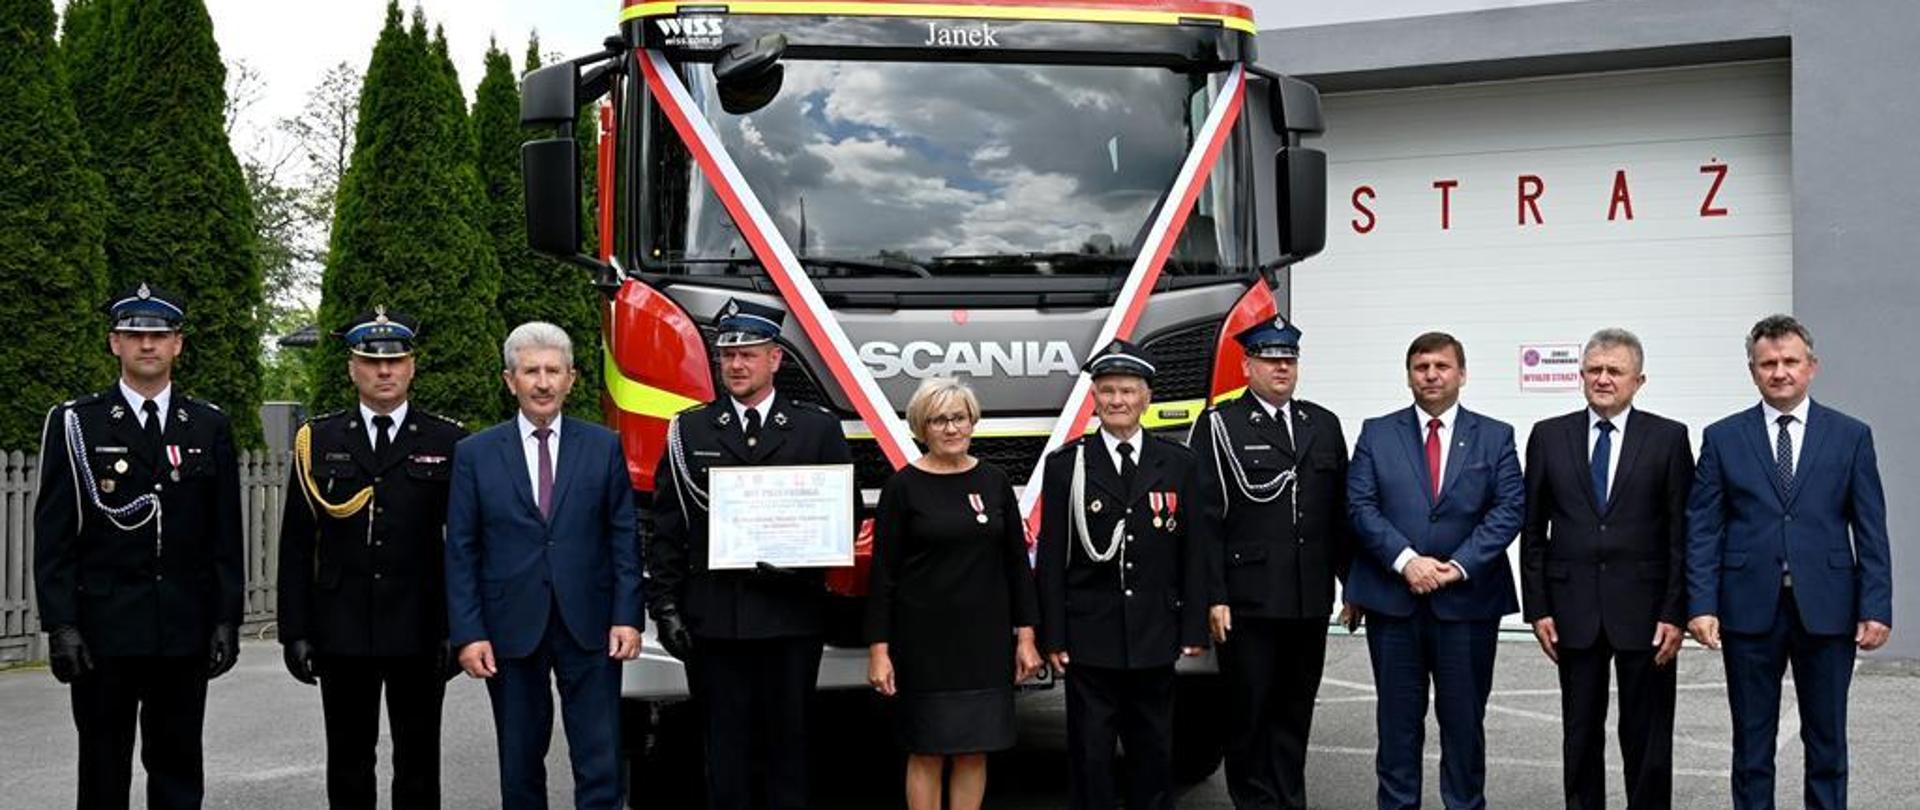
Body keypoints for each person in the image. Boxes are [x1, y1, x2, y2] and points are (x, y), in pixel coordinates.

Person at [33, 282, 243, 810]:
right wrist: (61, 625)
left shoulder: (208, 423)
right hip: (104, 629)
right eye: (134, 334)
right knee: (103, 768)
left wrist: (225, 619)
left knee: (177, 767)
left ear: (177, 344)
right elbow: (54, 536)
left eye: (159, 334)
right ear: (114, 344)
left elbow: (224, 534)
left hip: (182, 627)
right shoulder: (77, 423)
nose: (146, 344)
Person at [646, 298, 856, 810]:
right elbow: (668, 528)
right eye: (727, 357)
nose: (736, 366)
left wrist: (805, 555)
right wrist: (666, 608)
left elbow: (843, 516)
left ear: (775, 360)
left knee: (791, 748)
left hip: (790, 616)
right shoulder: (689, 431)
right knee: (724, 752)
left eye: (749, 355)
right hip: (716, 620)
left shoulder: (816, 429)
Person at [1685, 314, 1893, 810]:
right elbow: (1702, 528)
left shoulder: (1850, 436)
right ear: (1753, 371)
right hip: (1747, 609)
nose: (1780, 372)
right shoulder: (1723, 437)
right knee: (1752, 746)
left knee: (1827, 742)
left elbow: (1870, 528)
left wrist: (1877, 605)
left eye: (1789, 362)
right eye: (1768, 363)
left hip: (1828, 608)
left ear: (1811, 367)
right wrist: (1701, 603)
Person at [444, 321, 642, 810]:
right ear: (510, 380)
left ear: (572, 378)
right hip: (509, 629)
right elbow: (462, 549)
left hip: (591, 626)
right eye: (531, 371)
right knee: (520, 763)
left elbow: (623, 537)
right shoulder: (474, 454)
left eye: (554, 370)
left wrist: (627, 617)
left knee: (600, 759)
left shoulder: (603, 447)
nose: (543, 382)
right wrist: (469, 634)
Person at [277, 307, 468, 809]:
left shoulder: (449, 441)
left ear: (412, 366)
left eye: (395, 361)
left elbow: (464, 546)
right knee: (348, 761)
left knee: (419, 763)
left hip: (421, 628)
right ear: (351, 369)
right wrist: (295, 631)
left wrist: (460, 627)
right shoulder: (318, 440)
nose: (384, 372)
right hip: (341, 629)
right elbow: (297, 545)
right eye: (370, 361)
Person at [1345, 331, 1524, 810]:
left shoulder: (1495, 435)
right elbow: (1360, 506)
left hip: (1466, 604)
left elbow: (1509, 509)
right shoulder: (1377, 433)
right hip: (1393, 603)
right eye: (1421, 366)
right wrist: (1407, 562)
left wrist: (1458, 566)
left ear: (1461, 374)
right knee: (1397, 726)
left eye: (1442, 366)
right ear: (1409, 376)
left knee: (1464, 724)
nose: (1431, 374)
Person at [1520, 328, 1693, 810]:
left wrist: (1676, 611)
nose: (1603, 379)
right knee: (1579, 734)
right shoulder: (1548, 436)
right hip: (1572, 610)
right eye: (1594, 369)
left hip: (1648, 614)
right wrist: (1538, 608)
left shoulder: (1669, 438)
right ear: (1580, 376)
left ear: (1639, 380)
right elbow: (1532, 531)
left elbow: (1683, 535)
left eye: (1614, 371)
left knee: (1649, 736)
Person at [1188, 316, 1354, 810]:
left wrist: (1355, 585)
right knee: (1249, 710)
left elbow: (1338, 515)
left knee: (1295, 708)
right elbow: (1205, 520)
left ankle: (1288, 798)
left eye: (1289, 359)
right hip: (1248, 598)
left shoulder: (1321, 424)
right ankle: (1255, 801)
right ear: (1247, 366)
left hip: (1308, 595)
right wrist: (1214, 594)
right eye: (1270, 359)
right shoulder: (1221, 425)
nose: (1281, 367)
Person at [1036, 338, 1206, 810]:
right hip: (1089, 633)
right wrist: (1054, 634)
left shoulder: (1179, 463)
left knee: (1153, 749)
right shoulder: (1067, 465)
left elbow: (1195, 551)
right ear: (1093, 398)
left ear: (1146, 397)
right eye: (1107, 391)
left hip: (1155, 630)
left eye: (1127, 391)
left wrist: (1193, 625)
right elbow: (1052, 556)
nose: (1117, 401)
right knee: (1090, 753)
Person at [866, 377, 1044, 810]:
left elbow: (1017, 567)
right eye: (939, 419)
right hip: (923, 646)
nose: (951, 428)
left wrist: (1026, 637)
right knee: (926, 749)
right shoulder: (902, 487)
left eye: (959, 418)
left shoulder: (995, 481)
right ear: (921, 427)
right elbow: (883, 576)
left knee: (973, 747)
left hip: (983, 645)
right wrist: (879, 649)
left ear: (972, 422)